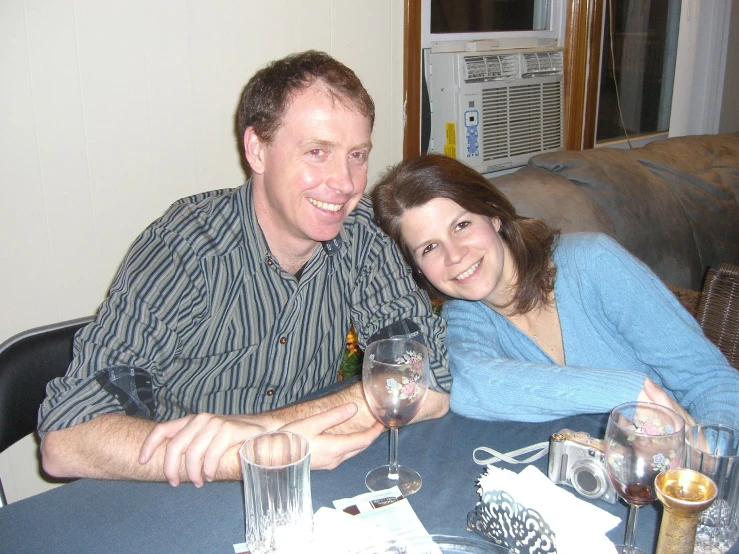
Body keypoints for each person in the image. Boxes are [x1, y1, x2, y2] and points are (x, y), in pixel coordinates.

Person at [38, 51, 450, 488]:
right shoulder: (186, 248)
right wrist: (253, 452)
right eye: (317, 152)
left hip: (306, 482)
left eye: (357, 155)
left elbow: (429, 382)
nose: (345, 183)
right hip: (187, 489)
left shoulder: (363, 234)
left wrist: (267, 431)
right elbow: (65, 441)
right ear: (257, 150)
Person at [371, 153, 739, 429]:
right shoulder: (465, 314)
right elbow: (473, 387)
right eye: (429, 248)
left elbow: (711, 379)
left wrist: (708, 454)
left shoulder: (593, 263)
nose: (454, 255)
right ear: (419, 268)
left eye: (462, 225)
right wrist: (628, 391)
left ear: (494, 215)